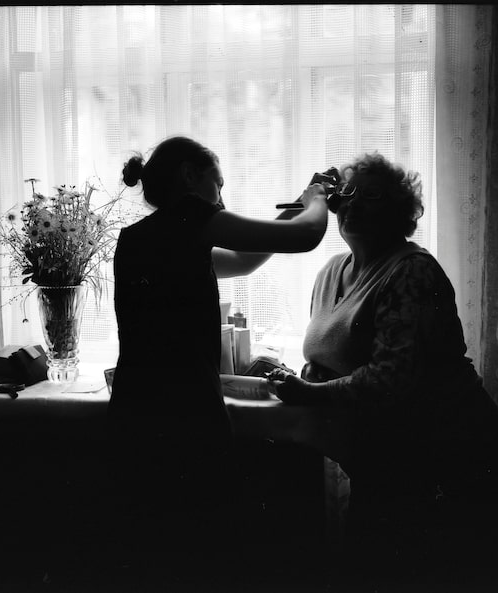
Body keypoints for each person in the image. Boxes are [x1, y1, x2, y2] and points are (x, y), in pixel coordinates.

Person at [268, 152, 498, 588]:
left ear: (399, 212)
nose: (354, 204)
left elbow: (391, 379)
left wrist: (310, 392)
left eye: (372, 196)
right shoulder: (330, 271)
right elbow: (334, 352)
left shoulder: (412, 271)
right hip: (383, 450)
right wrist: (296, 375)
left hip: (443, 446)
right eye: (348, 194)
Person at [104, 135, 329, 584]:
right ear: (190, 177)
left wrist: (295, 204)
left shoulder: (136, 240)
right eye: (218, 185)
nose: (222, 200)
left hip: (134, 410)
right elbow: (306, 237)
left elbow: (243, 260)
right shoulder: (193, 216)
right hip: (187, 411)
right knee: (204, 542)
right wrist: (317, 198)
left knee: (153, 544)